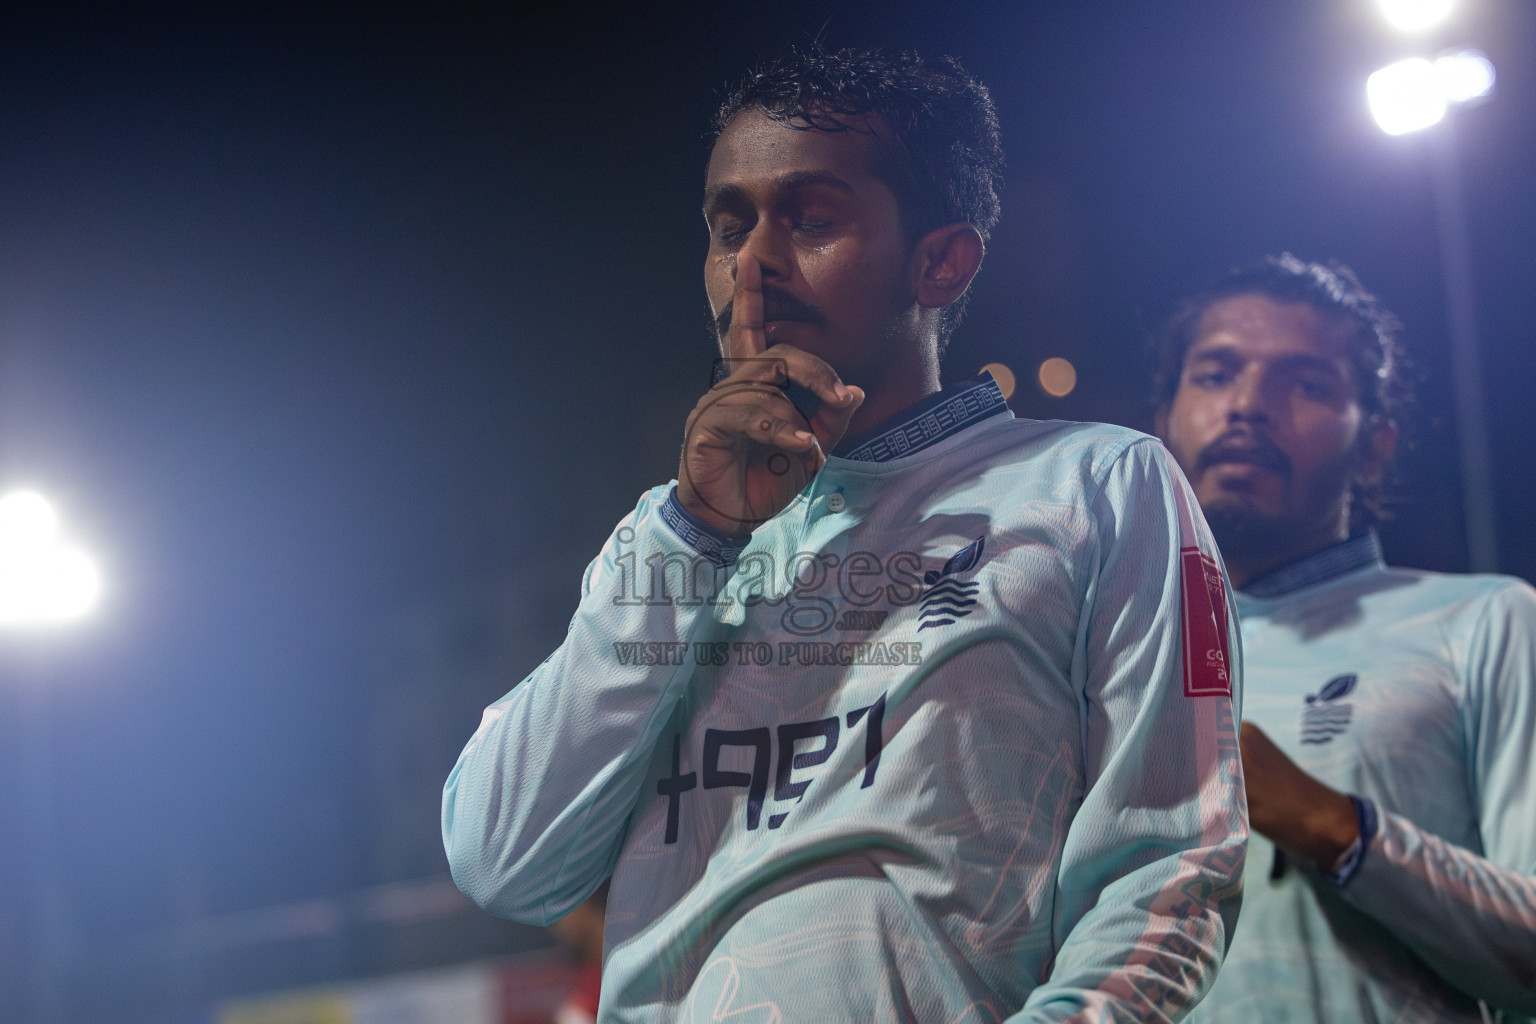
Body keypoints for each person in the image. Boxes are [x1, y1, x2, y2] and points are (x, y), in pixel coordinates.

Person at [444, 47, 1246, 1022]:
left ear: (941, 259)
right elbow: (503, 859)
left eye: (812, 217)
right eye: (727, 226)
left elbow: (1169, 866)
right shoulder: (668, 539)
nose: (754, 262)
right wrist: (695, 529)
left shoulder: (1100, 485)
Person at [1155, 255, 1536, 1022]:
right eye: (1217, 373)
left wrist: (1336, 828)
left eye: (1307, 383)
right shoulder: (1104, 662)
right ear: (1160, 426)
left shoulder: (1485, 621)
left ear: (1374, 447)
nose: (1250, 406)